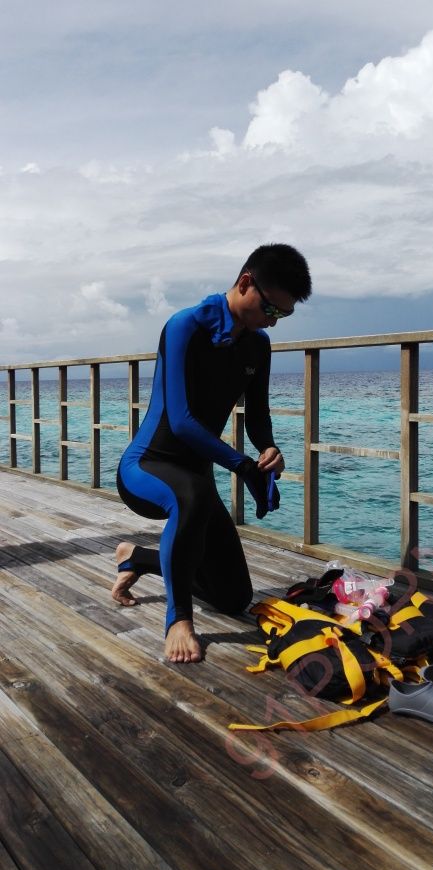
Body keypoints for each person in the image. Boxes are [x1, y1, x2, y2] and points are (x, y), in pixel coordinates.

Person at [112, 243, 312, 664]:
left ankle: (138, 557)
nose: (273, 322)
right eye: (271, 310)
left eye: (284, 315)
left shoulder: (258, 345)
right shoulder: (185, 326)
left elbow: (257, 416)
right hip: (146, 467)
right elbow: (182, 422)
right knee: (194, 495)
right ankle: (178, 620)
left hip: (196, 478)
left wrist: (268, 448)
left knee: (233, 597)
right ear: (245, 283)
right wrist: (242, 467)